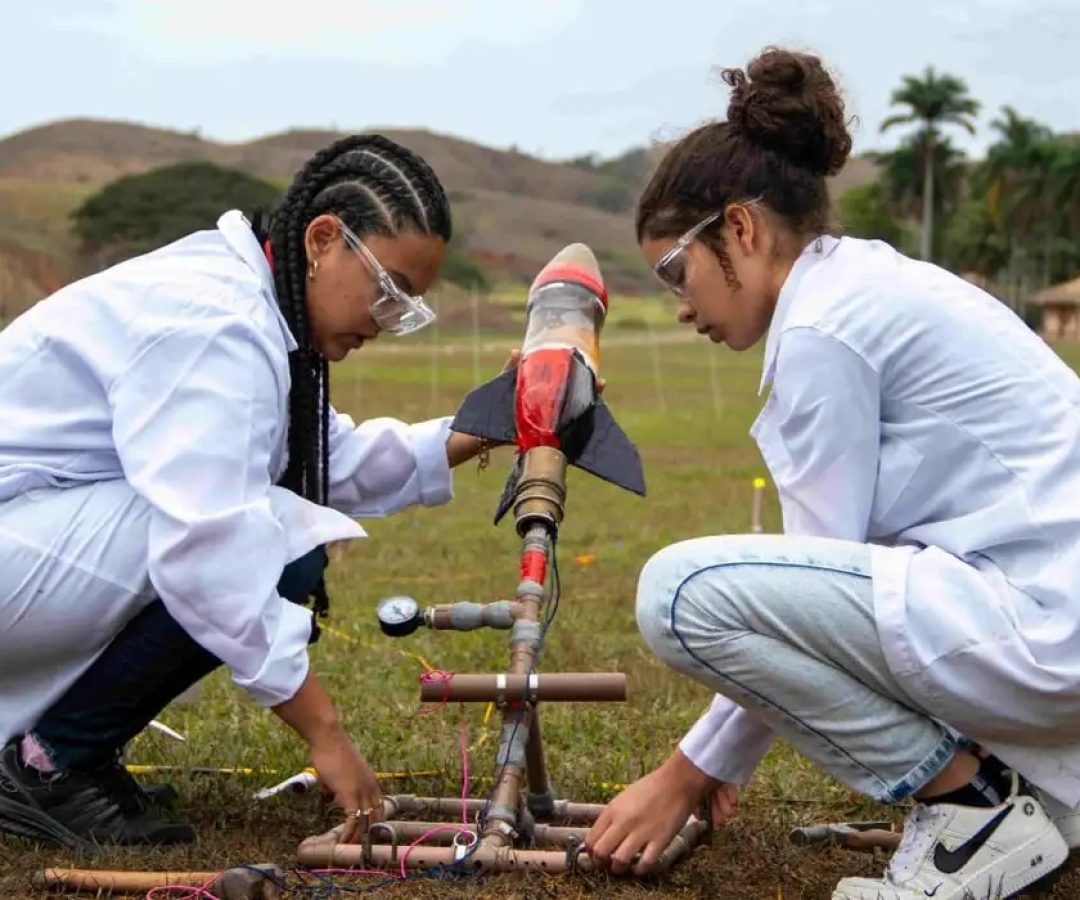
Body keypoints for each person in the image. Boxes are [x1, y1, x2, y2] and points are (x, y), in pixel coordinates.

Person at [584, 47, 1080, 900]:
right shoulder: (867, 286)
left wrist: (687, 774)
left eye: (675, 270)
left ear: (741, 229)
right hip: (1046, 617)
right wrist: (719, 755)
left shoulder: (824, 327)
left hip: (1046, 629)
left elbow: (805, 589)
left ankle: (970, 809)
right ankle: (1024, 792)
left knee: (681, 594)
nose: (682, 303)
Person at [0, 134, 502, 850]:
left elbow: (328, 461)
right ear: (323, 240)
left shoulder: (260, 308)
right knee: (266, 543)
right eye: (388, 291)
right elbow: (206, 549)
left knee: (278, 533)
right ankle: (49, 765)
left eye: (407, 307)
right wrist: (326, 734)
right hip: (16, 537)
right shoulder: (217, 323)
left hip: (31, 538)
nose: (386, 322)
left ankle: (72, 749)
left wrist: (493, 424)